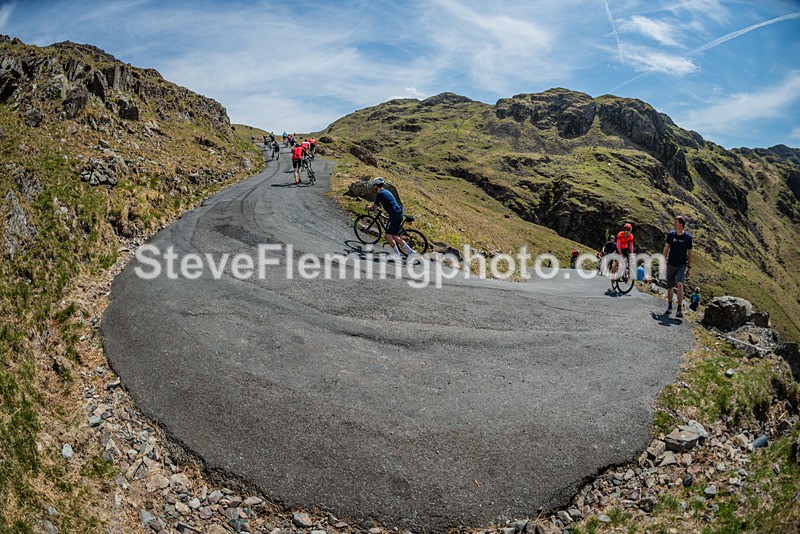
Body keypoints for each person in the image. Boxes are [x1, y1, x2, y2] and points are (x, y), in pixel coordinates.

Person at [365, 177, 415, 260]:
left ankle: (397, 255)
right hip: (399, 214)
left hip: (394, 216)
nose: (373, 187)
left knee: (387, 236)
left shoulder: (380, 194)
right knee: (395, 236)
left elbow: (373, 207)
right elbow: (388, 202)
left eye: (373, 186)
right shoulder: (386, 191)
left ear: (375, 186)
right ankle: (411, 252)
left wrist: (368, 208)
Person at [662, 215, 693, 317]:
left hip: (681, 265)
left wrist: (689, 268)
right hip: (671, 264)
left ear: (681, 224)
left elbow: (690, 253)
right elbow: (666, 249)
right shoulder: (671, 235)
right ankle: (670, 306)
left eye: (676, 222)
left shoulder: (688, 238)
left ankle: (679, 308)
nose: (674, 223)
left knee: (680, 284)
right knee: (670, 287)